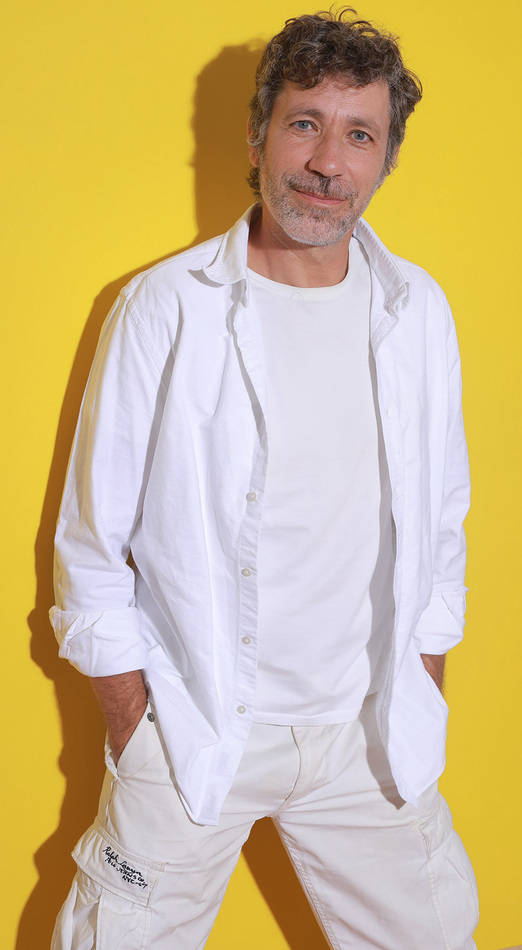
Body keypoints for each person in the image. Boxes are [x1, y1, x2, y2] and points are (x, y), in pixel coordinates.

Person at [50, 9, 479, 949]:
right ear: (257, 136)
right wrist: (136, 726)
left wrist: (422, 682)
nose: (327, 161)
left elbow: (442, 521)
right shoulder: (165, 307)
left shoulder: (418, 311)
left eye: (359, 134)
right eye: (304, 123)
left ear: (386, 159)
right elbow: (91, 545)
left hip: (367, 736)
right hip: (197, 727)